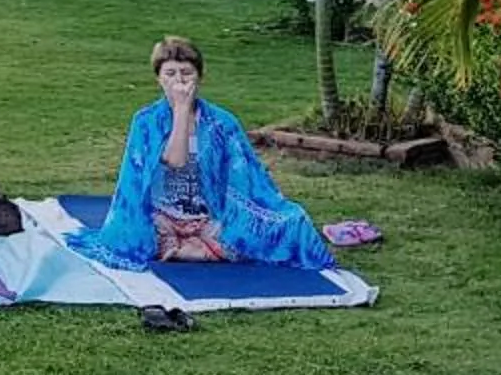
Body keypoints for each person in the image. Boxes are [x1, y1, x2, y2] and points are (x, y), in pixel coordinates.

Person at [72, 38, 336, 270]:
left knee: (289, 223)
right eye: (170, 74)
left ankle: (189, 248)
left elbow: (247, 179)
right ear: (158, 79)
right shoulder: (146, 121)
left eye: (186, 73)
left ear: (200, 77)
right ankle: (194, 249)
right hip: (160, 216)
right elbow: (176, 161)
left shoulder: (222, 123)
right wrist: (181, 110)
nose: (179, 81)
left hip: (208, 215)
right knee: (135, 237)